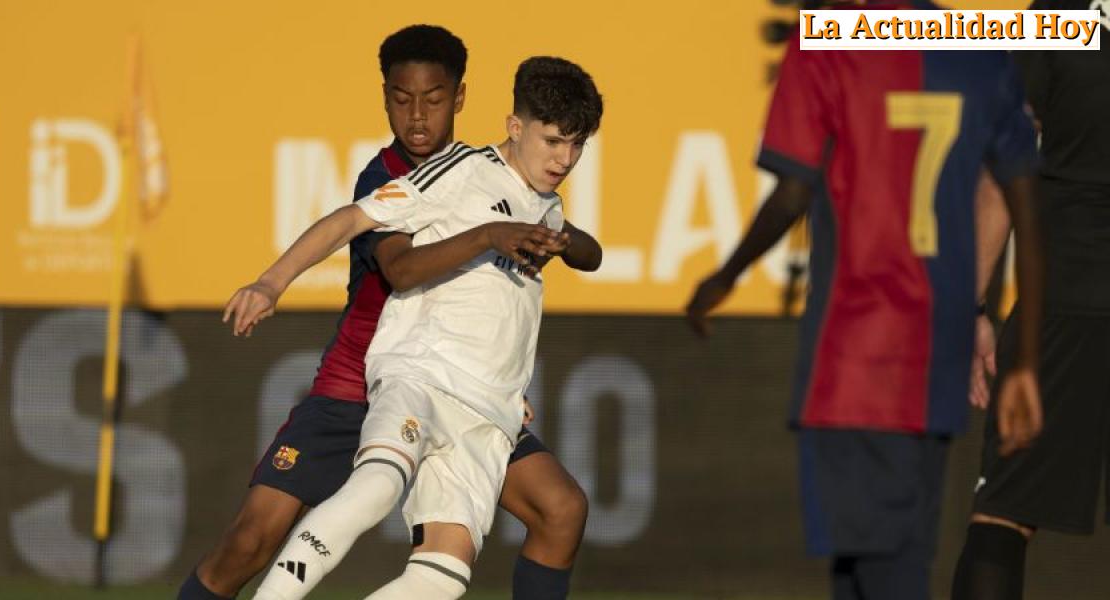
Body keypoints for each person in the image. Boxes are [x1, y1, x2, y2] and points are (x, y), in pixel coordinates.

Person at [178, 27, 594, 600]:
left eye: (434, 98)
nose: (418, 116)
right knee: (251, 541)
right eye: (403, 100)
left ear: (462, 97)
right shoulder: (399, 176)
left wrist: (502, 373)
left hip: (466, 387)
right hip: (366, 381)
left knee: (560, 508)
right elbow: (398, 268)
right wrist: (272, 281)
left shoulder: (522, 187)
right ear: (385, 98)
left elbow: (533, 276)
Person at [684, 2, 1045, 598]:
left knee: (883, 575)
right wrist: (1026, 360)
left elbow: (793, 191)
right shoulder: (976, 43)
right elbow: (1025, 207)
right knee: (873, 568)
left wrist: (725, 276)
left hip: (856, 358)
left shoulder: (828, 37)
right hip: (936, 362)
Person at [951, 2, 1110, 598]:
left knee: (1002, 515)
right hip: (1067, 298)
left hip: (1064, 301)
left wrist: (972, 307)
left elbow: (1001, 171)